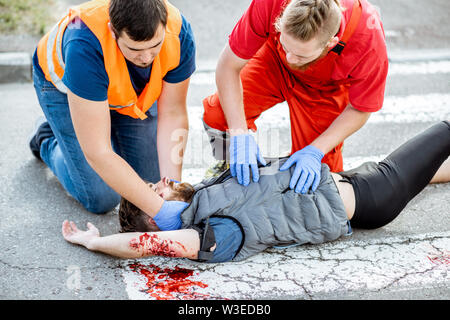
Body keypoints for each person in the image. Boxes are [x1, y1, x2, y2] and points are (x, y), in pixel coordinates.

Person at [62, 121, 450, 263]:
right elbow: (146, 243)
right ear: (156, 218)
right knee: (443, 132)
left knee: (430, 170)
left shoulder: (205, 196)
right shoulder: (213, 232)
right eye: (154, 192)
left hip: (348, 179)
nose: (162, 181)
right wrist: (95, 243)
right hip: (373, 195)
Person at [29, 0, 196, 230]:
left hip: (127, 98)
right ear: (113, 31)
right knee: (101, 195)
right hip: (62, 89)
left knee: (150, 178)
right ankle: (47, 139)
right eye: (136, 49)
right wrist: (160, 210)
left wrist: (172, 190)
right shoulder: (83, 44)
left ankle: (104, 129)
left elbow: (174, 112)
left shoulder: (179, 32)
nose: (147, 58)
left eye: (154, 46)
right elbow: (98, 152)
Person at [202, 0, 389, 195]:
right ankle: (227, 161)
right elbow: (228, 66)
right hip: (273, 60)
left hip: (324, 88)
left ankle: (306, 152)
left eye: (300, 55)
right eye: (288, 46)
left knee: (317, 185)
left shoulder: (368, 38)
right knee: (219, 115)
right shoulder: (271, 3)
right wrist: (239, 133)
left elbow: (361, 108)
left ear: (331, 43)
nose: (291, 59)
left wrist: (316, 150)